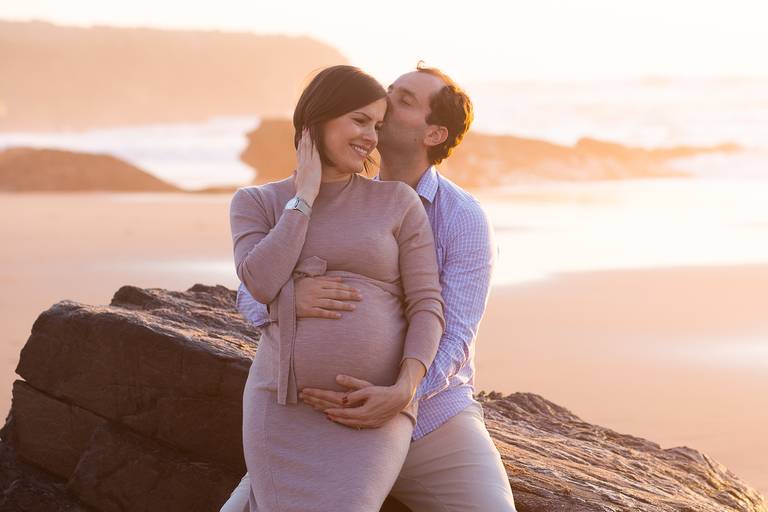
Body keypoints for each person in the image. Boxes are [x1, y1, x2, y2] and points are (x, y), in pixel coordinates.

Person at [224, 64, 517, 512]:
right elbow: (251, 288)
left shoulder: (462, 218)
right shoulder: (315, 190)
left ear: (433, 134)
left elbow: (454, 332)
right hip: (312, 410)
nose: (382, 103)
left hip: (431, 416)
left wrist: (399, 395)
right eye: (388, 92)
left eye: (401, 101)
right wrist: (288, 299)